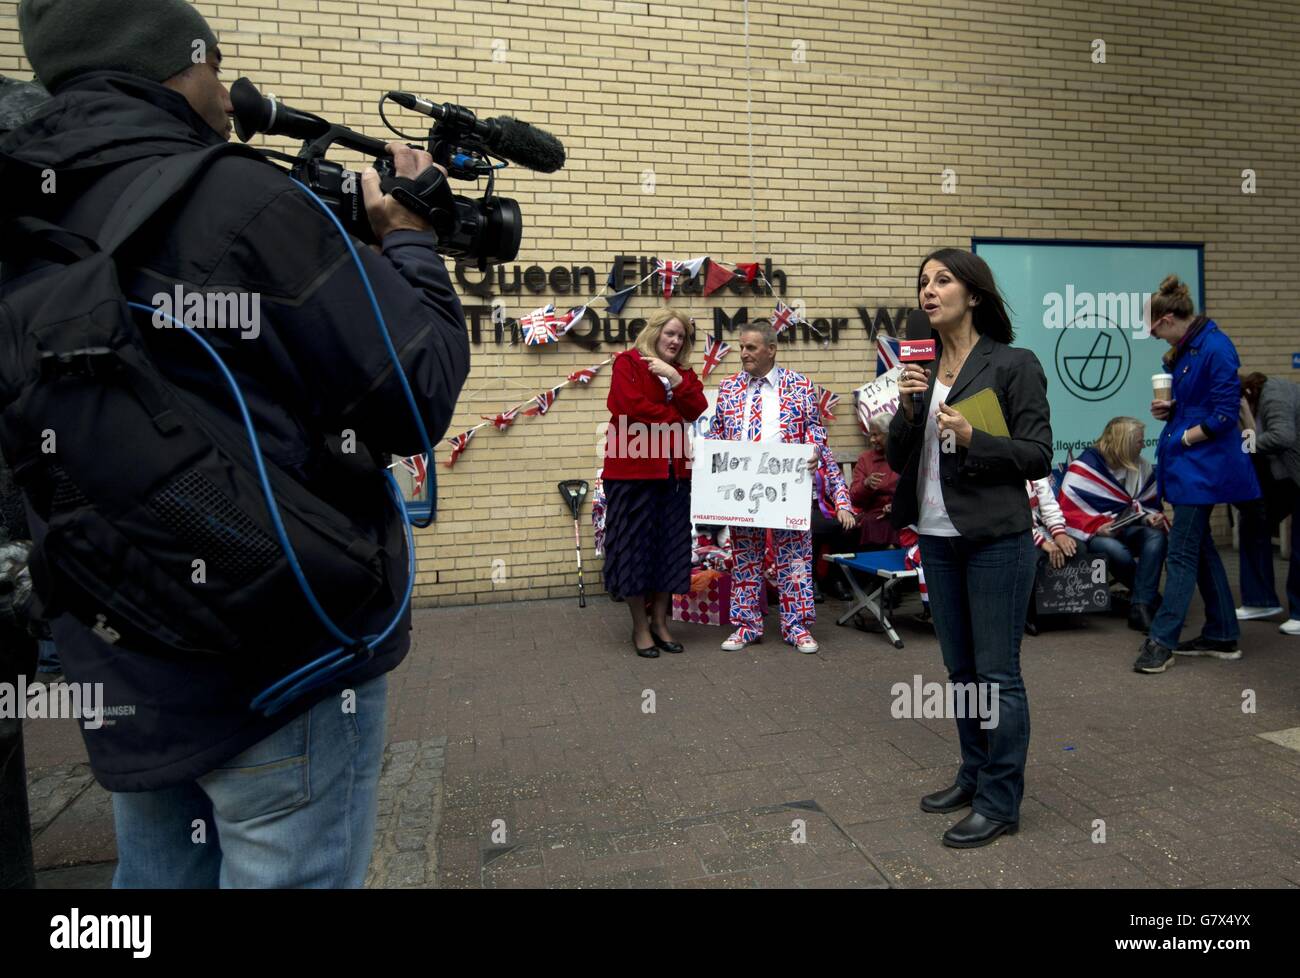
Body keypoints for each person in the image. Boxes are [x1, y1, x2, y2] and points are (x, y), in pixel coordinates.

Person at [3, 0, 470, 887]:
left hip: (126, 643)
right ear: (175, 63)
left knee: (154, 883)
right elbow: (415, 394)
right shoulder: (237, 197)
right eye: (215, 62)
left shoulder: (27, 210)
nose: (226, 87)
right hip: (280, 657)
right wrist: (409, 244)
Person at [888, 248, 1052, 849]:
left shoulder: (1014, 364)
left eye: (943, 280)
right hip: (936, 536)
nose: (928, 291)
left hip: (995, 540)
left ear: (974, 294)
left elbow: (1038, 455)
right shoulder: (921, 368)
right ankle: (973, 774)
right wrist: (908, 409)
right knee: (960, 673)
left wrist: (974, 436)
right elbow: (900, 457)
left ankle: (1000, 802)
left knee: (997, 674)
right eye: (922, 281)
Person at [707, 322, 855, 654]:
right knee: (745, 558)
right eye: (741, 347)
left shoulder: (800, 386)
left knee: (795, 560)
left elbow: (820, 443)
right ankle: (746, 626)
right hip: (742, 491)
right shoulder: (729, 388)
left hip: (790, 489)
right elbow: (715, 441)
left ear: (771, 349)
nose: (743, 353)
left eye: (751, 347)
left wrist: (840, 497)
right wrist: (707, 478)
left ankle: (797, 627)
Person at [1138, 276, 1260, 674]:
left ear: (1169, 318)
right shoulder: (1194, 347)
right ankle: (1223, 633)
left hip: (1202, 467)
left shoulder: (1215, 347)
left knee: (1183, 552)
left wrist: (1187, 437)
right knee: (1201, 548)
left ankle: (1162, 641)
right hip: (1193, 465)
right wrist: (1169, 411)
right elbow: (1204, 404)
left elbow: (1225, 413)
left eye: (1156, 329)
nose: (1156, 338)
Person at [601, 307, 707, 657]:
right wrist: (674, 417)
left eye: (682, 337)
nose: (676, 341)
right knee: (635, 551)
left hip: (674, 475)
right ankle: (640, 628)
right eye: (671, 333)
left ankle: (661, 623)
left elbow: (698, 407)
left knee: (668, 549)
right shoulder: (628, 363)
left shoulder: (683, 374)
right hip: (632, 475)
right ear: (656, 331)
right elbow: (626, 406)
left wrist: (675, 380)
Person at [1059, 417, 1168, 632]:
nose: (1143, 445)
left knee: (1156, 537)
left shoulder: (1141, 466)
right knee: (1115, 551)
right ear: (1123, 443)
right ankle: (1149, 599)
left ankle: (1140, 605)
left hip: (1128, 528)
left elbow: (1144, 505)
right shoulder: (1085, 467)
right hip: (1096, 534)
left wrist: (1149, 518)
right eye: (1139, 441)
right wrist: (1097, 528)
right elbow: (1069, 512)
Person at [1236, 372, 1300, 634]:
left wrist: (1244, 442)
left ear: (1247, 393)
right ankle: (1259, 600)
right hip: (1287, 476)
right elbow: (1254, 441)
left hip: (1294, 473)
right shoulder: (1252, 402)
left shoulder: (1274, 395)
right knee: (1252, 519)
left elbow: (1282, 437)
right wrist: (1247, 420)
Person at [851, 412, 900, 551]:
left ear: (889, 434)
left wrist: (896, 506)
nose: (872, 440)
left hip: (900, 512)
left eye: (876, 435)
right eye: (870, 435)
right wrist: (865, 485)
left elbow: (912, 490)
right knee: (872, 522)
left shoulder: (902, 456)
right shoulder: (865, 459)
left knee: (898, 523)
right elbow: (854, 498)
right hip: (873, 513)